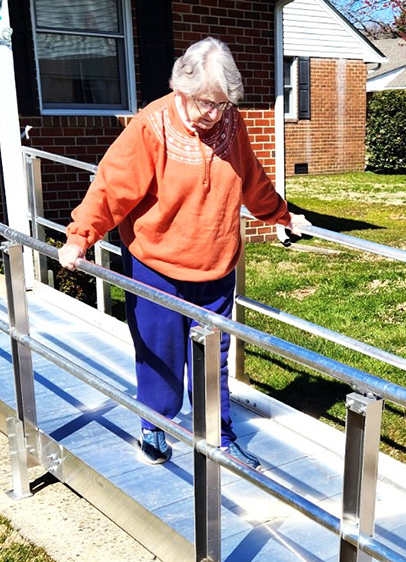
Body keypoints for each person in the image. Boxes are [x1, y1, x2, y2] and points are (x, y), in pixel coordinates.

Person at [58, 37, 310, 469]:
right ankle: (155, 425)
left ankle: (219, 435)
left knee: (215, 356)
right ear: (181, 88)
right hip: (156, 262)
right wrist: (80, 236)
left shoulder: (232, 125)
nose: (213, 114)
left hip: (216, 263)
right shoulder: (150, 126)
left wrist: (282, 215)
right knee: (161, 351)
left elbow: (252, 181)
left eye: (222, 104)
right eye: (205, 103)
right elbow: (111, 188)